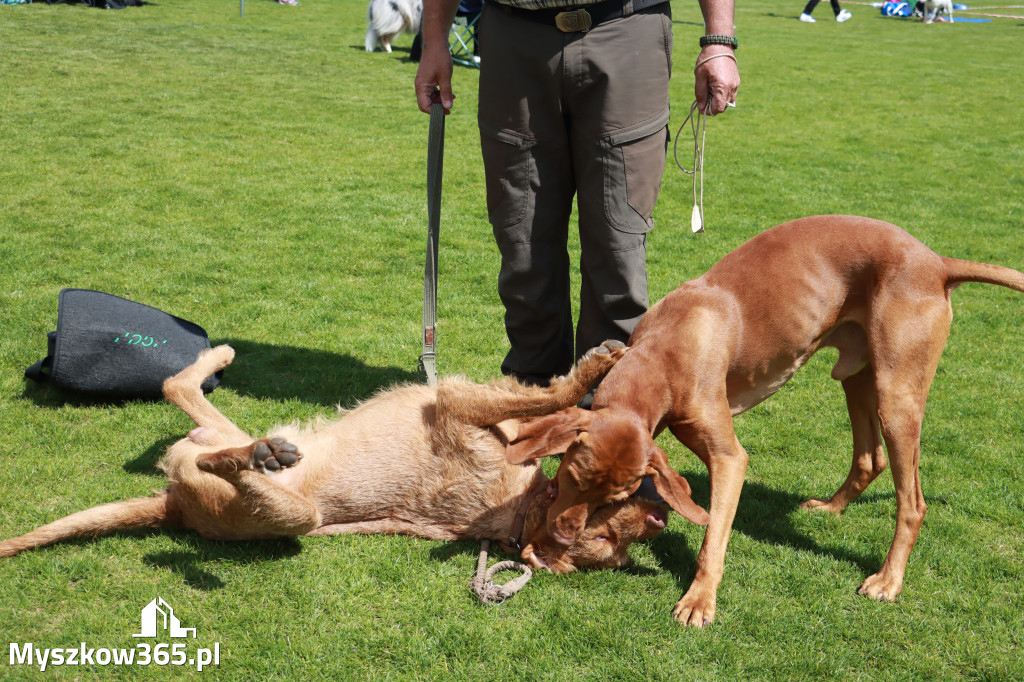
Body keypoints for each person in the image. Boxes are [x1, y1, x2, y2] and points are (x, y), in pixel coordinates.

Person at [414, 0, 740, 391]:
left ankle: (606, 407)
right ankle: (532, 400)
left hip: (626, 29)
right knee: (522, 241)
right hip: (514, 37)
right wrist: (434, 40)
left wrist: (719, 40)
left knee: (617, 242)